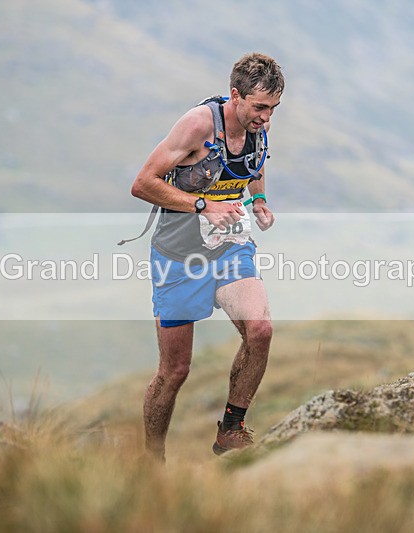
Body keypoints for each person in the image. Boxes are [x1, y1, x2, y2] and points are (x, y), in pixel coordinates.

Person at [130, 52, 284, 461]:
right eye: (259, 107)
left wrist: (260, 201)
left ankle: (231, 429)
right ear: (235, 96)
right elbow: (143, 183)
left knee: (261, 331)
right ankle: (151, 459)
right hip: (178, 255)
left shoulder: (257, 127)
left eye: (273, 109)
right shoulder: (198, 125)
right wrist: (203, 206)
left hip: (230, 245)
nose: (266, 118)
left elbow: (254, 166)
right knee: (174, 372)